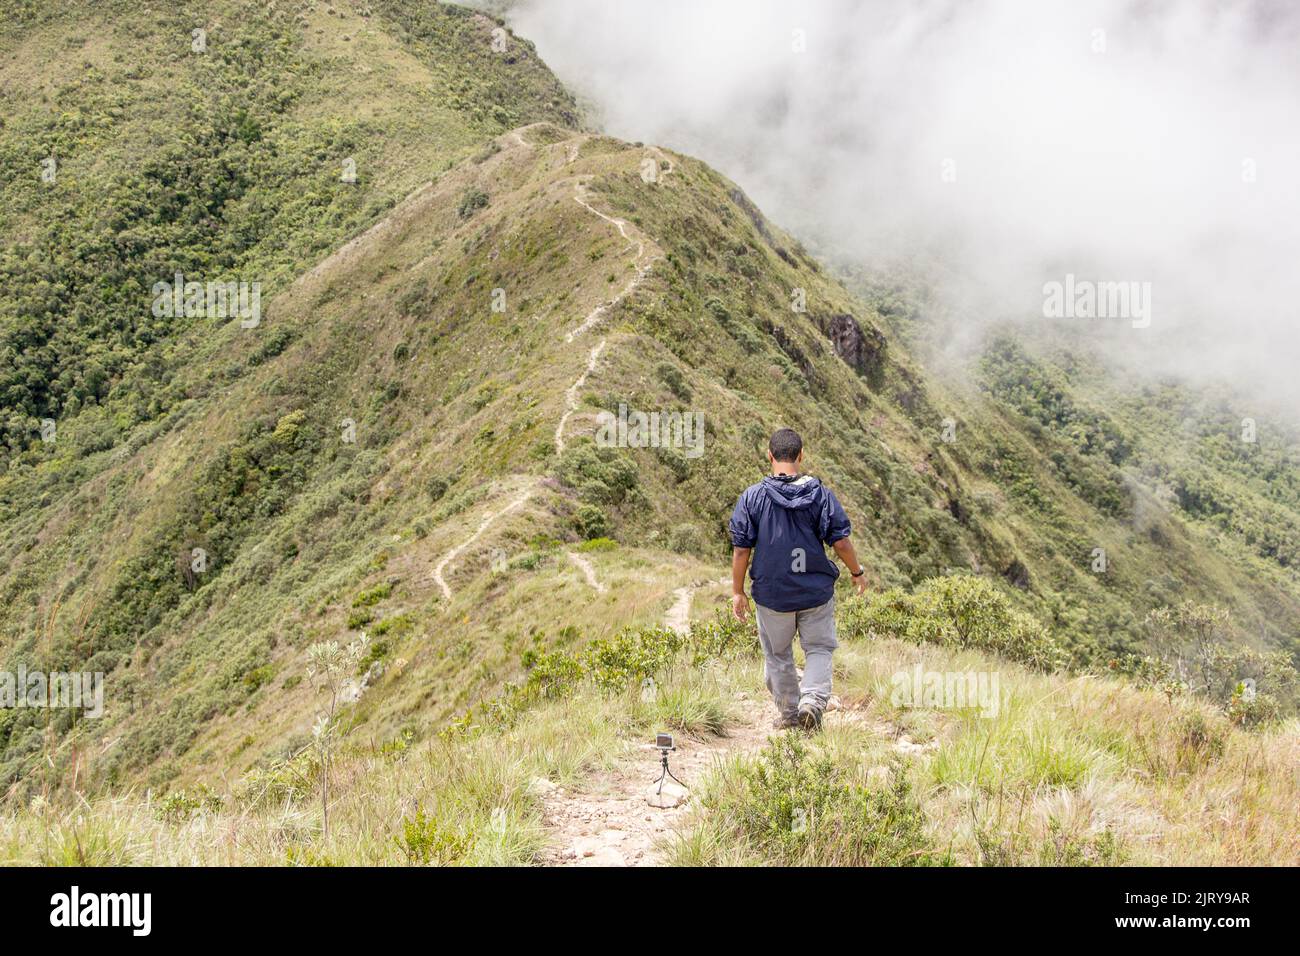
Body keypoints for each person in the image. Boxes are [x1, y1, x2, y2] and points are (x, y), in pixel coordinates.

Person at [729, 428, 869, 730]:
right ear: (800, 455)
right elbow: (841, 542)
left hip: (772, 594)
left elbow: (741, 550)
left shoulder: (752, 497)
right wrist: (857, 573)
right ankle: (813, 701)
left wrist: (738, 591)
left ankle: (792, 714)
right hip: (814, 591)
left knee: (778, 655)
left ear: (769, 456)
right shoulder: (819, 494)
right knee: (818, 648)